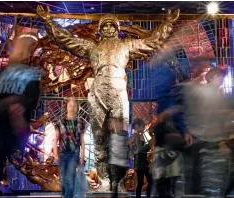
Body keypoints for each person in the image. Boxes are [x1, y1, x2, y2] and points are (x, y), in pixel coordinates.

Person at [37, 5, 179, 189]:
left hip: (119, 92)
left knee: (119, 138)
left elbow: (151, 41)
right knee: (99, 137)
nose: (109, 29)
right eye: (105, 26)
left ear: (117, 29)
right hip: (98, 93)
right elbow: (66, 39)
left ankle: (117, 181)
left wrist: (168, 23)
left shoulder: (127, 45)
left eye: (112, 26)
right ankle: (104, 180)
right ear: (100, 29)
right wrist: (48, 20)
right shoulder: (91, 47)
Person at [0, 34, 42, 198]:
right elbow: (30, 100)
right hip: (8, 122)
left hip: (12, 122)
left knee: (7, 154)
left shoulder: (15, 74)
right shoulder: (8, 73)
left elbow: (31, 100)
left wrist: (15, 105)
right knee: (6, 154)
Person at [176, 67, 233, 197]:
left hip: (198, 140)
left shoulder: (200, 91)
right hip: (209, 142)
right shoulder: (214, 95)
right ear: (213, 78)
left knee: (195, 179)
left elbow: (182, 91)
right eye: (220, 78)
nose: (222, 81)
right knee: (213, 180)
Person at [53, 97, 86, 198]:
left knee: (69, 178)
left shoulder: (80, 122)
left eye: (74, 106)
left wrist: (82, 155)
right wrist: (55, 154)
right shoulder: (60, 122)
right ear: (66, 107)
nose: (72, 108)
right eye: (70, 105)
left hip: (74, 154)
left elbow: (82, 140)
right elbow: (56, 140)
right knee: (63, 179)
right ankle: (65, 195)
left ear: (77, 108)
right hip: (63, 154)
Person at [129, 118, 152, 198]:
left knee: (145, 181)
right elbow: (139, 149)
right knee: (142, 182)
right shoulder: (136, 136)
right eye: (143, 126)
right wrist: (147, 145)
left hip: (142, 160)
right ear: (137, 127)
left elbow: (147, 146)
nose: (144, 128)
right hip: (140, 160)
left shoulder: (141, 135)